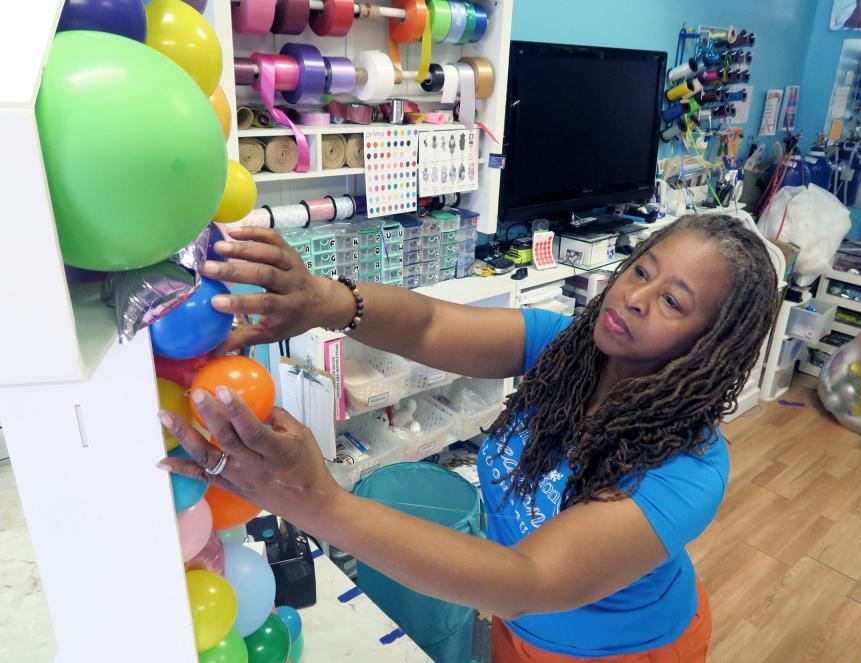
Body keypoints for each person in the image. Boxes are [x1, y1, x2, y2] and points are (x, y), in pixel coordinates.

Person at [159, 214, 779, 662]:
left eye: (672, 301)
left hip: (621, 652)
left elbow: (527, 579)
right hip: (516, 630)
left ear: (709, 344)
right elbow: (430, 326)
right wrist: (326, 300)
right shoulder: (563, 349)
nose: (635, 297)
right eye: (641, 270)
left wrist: (317, 502)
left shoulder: (689, 468)